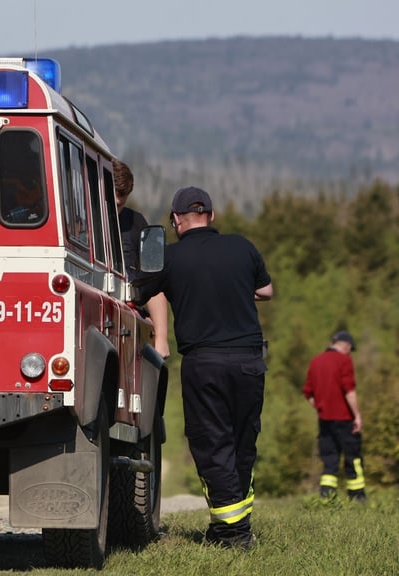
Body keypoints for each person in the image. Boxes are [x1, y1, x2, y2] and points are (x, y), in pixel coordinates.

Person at [131, 185, 272, 550]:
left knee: (213, 443)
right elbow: (267, 291)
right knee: (242, 442)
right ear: (211, 216)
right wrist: (234, 290)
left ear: (176, 220)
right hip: (249, 361)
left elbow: (136, 292)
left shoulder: (170, 258)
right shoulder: (242, 246)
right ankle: (231, 527)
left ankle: (234, 534)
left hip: (205, 363)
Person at [113, 159, 170, 359]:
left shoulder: (138, 223)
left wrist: (161, 337)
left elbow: (154, 282)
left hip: (128, 320)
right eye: (110, 200)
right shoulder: (77, 220)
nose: (116, 206)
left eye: (121, 203)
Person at [303, 331, 366, 502]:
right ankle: (357, 497)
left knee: (329, 459)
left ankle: (327, 497)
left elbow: (308, 393)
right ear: (346, 345)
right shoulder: (344, 360)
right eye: (350, 349)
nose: (350, 352)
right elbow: (349, 391)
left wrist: (321, 408)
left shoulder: (316, 361)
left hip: (325, 420)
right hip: (344, 418)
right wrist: (357, 416)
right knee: (353, 457)